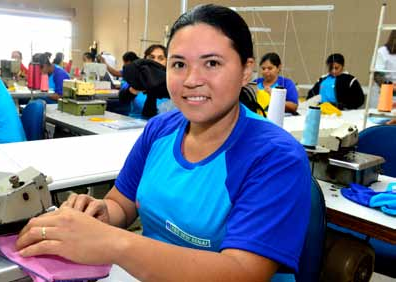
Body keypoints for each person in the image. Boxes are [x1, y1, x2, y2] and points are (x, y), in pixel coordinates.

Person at [16, 4, 310, 281]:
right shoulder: (160, 130)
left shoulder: (274, 156)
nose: (192, 79)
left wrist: (114, 243)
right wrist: (100, 214)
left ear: (246, 71)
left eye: (211, 63)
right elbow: (121, 202)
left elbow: (243, 272)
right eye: (179, 64)